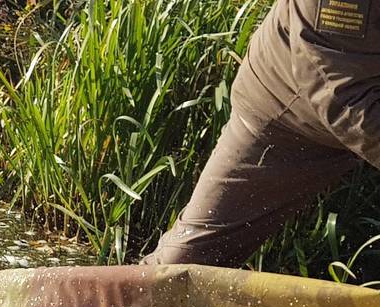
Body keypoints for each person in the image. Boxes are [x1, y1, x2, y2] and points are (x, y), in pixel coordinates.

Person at [143, 0, 380, 266]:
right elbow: (343, 96)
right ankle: (109, 302)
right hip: (284, 116)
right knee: (184, 265)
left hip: (361, 104)